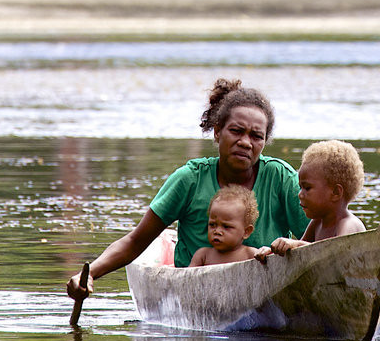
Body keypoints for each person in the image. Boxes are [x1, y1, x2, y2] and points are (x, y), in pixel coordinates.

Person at [65, 78, 307, 299]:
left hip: (264, 293)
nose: (245, 142)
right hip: (193, 293)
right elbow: (135, 241)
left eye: (256, 136)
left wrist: (295, 244)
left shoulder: (280, 178)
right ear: (217, 131)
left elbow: (318, 240)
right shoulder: (189, 180)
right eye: (236, 131)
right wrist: (88, 275)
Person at [260, 139, 366, 257]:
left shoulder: (348, 224)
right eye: (300, 188)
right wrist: (272, 252)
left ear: (336, 192)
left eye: (307, 188)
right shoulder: (317, 223)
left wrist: (296, 244)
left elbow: (336, 254)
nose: (300, 194)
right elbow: (300, 252)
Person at [187, 185, 260, 267]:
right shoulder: (203, 255)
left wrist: (264, 253)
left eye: (226, 226)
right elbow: (188, 278)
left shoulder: (251, 255)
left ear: (246, 231)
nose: (217, 231)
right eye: (212, 225)